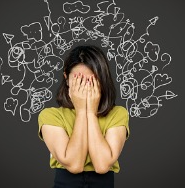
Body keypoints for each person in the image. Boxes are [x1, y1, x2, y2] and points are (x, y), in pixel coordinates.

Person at [38, 45, 130, 188]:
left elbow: (102, 165)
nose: (86, 88)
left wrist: (90, 113)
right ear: (67, 79)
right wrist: (81, 112)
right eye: (79, 81)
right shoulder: (50, 116)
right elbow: (74, 164)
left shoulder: (118, 113)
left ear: (102, 80)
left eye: (91, 81)